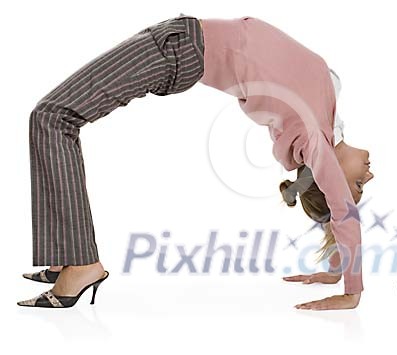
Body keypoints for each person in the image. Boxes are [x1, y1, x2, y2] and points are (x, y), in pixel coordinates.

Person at [18, 13, 374, 310]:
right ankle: (64, 261)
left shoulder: (312, 138)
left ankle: (82, 265)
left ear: (328, 177)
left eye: (357, 184)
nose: (370, 175)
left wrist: (351, 292)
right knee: (52, 117)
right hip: (178, 37)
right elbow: (334, 211)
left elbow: (343, 213)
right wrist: (334, 268)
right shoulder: (327, 114)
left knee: (52, 117)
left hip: (178, 50)